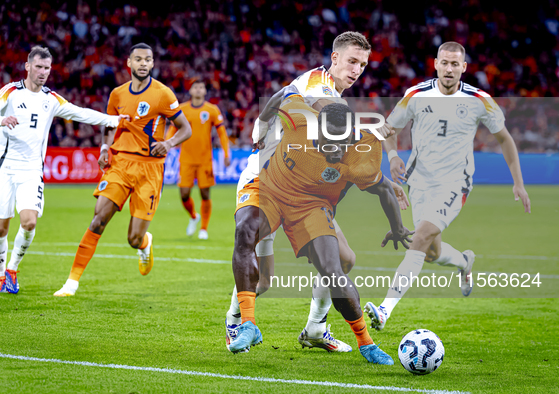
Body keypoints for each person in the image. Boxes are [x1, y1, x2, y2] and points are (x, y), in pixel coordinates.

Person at [229, 92, 413, 366]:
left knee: (334, 270)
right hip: (270, 188)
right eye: (329, 141)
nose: (335, 149)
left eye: (342, 142)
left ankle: (365, 343)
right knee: (245, 231)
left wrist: (397, 228)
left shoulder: (362, 154)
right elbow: (282, 96)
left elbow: (385, 189)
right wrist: (263, 126)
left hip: (311, 206)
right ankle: (248, 324)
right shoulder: (299, 119)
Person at [364, 41, 531, 331]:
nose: (450, 68)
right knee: (430, 252)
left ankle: (384, 310)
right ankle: (465, 262)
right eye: (445, 62)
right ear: (436, 64)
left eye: (456, 64)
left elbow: (504, 139)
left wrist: (519, 183)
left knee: (420, 237)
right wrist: (392, 157)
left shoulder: (480, 100)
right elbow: (388, 131)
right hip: (419, 182)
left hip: (456, 184)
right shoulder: (415, 95)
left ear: (464, 68)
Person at [225, 31, 374, 353]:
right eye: (351, 61)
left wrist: (261, 128)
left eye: (362, 64)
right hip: (266, 182)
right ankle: (235, 319)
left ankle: (316, 329)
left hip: (301, 192)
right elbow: (294, 100)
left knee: (344, 260)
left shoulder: (331, 93)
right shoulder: (318, 87)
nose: (357, 69)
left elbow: (280, 98)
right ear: (335, 58)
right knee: (263, 278)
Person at [0, 45, 128, 294]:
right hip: (4, 168)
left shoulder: (51, 98)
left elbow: (80, 113)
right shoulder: (11, 92)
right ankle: (0, 274)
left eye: (47, 68)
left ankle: (13, 270)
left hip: (31, 171)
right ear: (27, 67)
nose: (43, 72)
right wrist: (1, 119)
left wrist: (113, 120)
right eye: (38, 67)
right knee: (1, 228)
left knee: (28, 222)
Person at [54, 43, 191, 296]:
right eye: (137, 59)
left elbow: (185, 128)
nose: (142, 64)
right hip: (120, 163)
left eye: (147, 60)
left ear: (152, 64)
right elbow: (109, 125)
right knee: (98, 218)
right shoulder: (117, 94)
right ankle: (71, 283)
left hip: (150, 170)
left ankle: (145, 242)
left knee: (133, 239)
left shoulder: (163, 94)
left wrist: (168, 143)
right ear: (128, 63)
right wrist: (105, 149)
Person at [166, 80, 230, 240]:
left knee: (205, 194)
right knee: (184, 194)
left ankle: (204, 229)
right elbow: (173, 127)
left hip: (205, 160)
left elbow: (221, 133)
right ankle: (194, 216)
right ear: (191, 90)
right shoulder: (182, 109)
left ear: (204, 91)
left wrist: (226, 153)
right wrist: (167, 144)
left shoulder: (212, 110)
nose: (198, 89)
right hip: (186, 159)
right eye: (196, 87)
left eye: (201, 87)